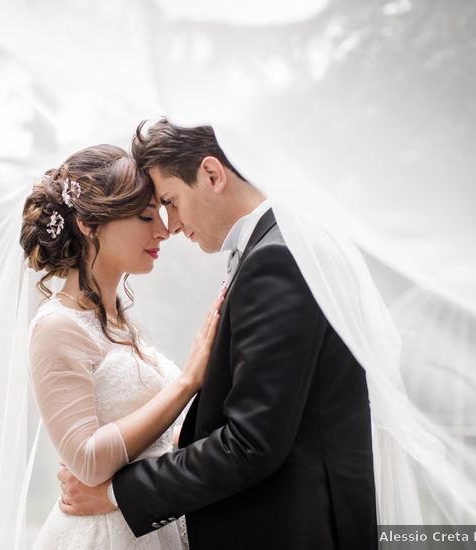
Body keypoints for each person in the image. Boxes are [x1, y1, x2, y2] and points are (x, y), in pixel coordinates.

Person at [58, 120, 379, 550]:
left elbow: (251, 442)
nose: (169, 226)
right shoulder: (279, 247)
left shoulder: (277, 259)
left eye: (170, 201)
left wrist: (116, 493)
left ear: (212, 175)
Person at [21, 143, 225, 550]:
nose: (164, 230)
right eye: (146, 215)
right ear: (89, 224)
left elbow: (155, 442)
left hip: (146, 522)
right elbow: (88, 461)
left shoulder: (120, 323)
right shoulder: (57, 326)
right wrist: (187, 382)